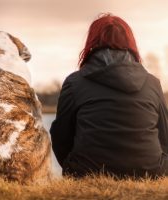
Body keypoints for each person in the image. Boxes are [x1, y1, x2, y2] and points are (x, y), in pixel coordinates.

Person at [50, 14, 168, 178]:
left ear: (91, 43)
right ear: (131, 43)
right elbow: (165, 137)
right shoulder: (153, 83)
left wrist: (74, 167)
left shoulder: (74, 83)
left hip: (87, 172)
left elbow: (61, 137)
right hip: (150, 172)